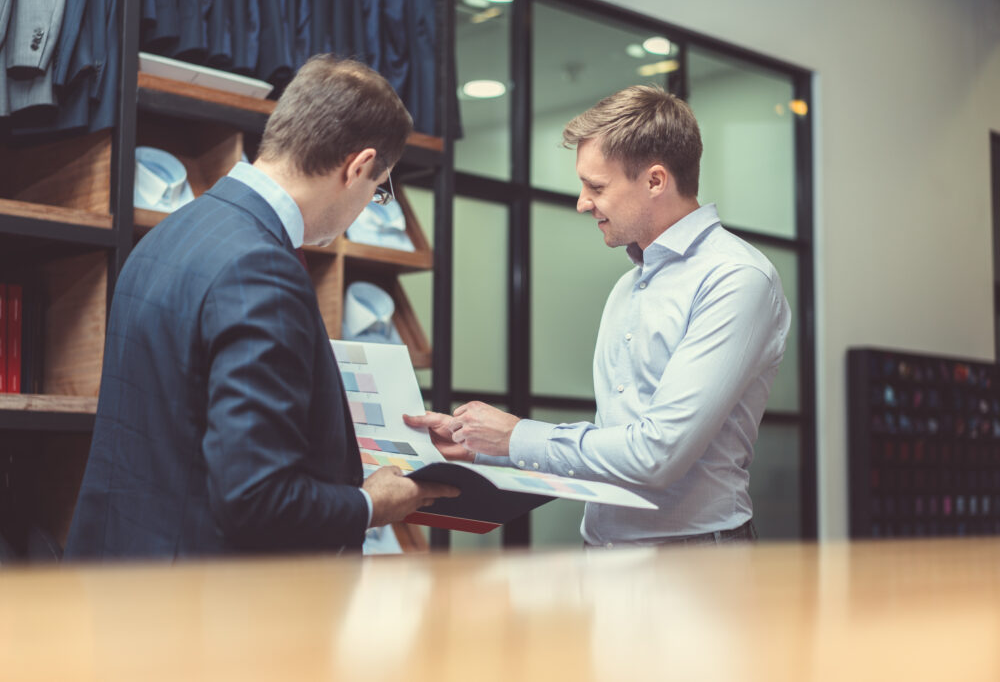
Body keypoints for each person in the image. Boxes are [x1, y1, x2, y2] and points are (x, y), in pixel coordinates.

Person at [66, 55, 457, 560]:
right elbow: (256, 497)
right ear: (358, 166)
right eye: (378, 190)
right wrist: (368, 505)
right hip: (207, 605)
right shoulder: (262, 269)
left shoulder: (170, 233)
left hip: (129, 571)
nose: (369, 203)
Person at [405, 84, 791, 548]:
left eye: (597, 186)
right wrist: (480, 447)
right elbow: (614, 445)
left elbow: (656, 454)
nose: (582, 202)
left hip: (693, 556)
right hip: (604, 547)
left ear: (655, 180)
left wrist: (514, 436)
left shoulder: (736, 278)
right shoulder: (627, 287)